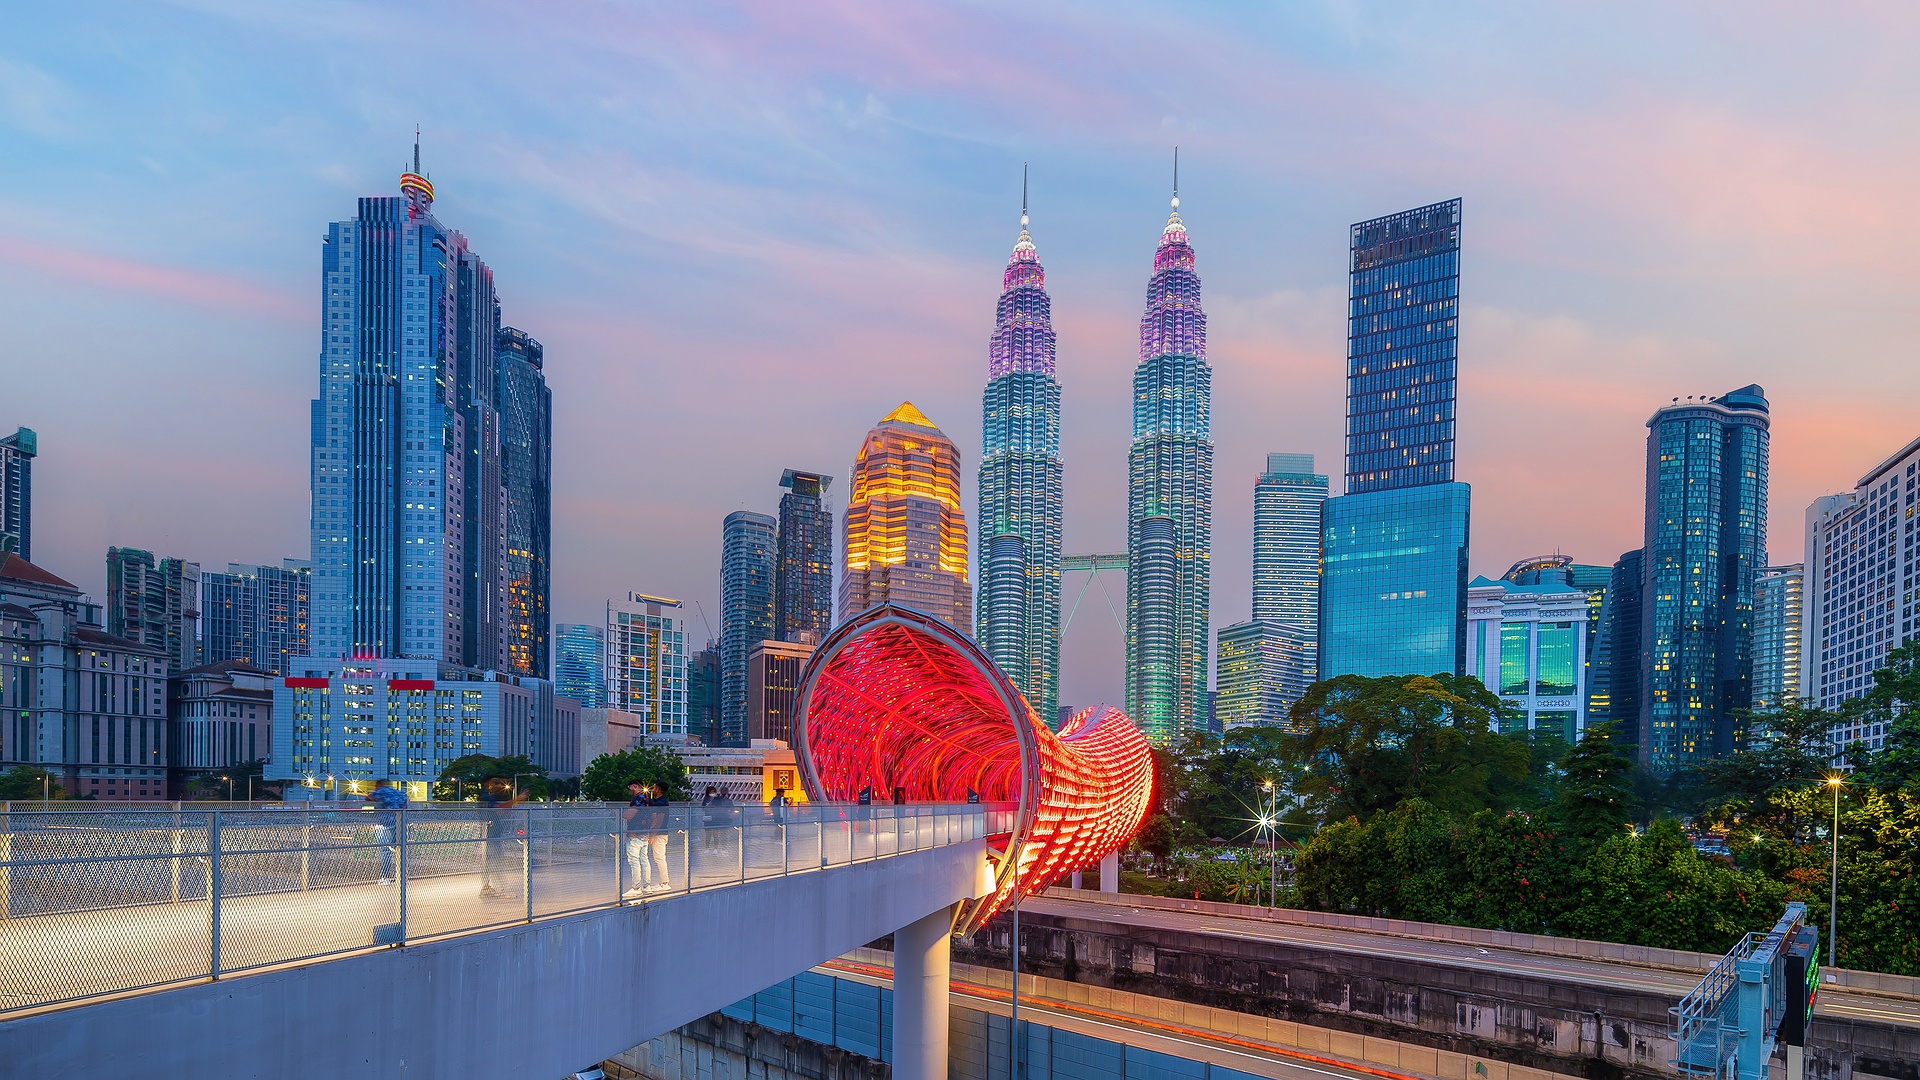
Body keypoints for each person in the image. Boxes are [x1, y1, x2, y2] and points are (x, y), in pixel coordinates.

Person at [478, 776, 520, 898]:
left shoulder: (489, 797)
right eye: (494, 783)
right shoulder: (486, 798)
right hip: (490, 835)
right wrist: (517, 799)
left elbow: (500, 810)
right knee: (494, 861)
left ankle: (488, 887)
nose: (497, 785)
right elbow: (499, 809)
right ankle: (499, 888)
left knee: (490, 861)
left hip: (492, 834)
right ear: (487, 784)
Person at [364, 782, 408, 884]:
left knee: (385, 851)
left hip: (386, 824)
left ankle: (385, 877)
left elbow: (367, 798)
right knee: (400, 850)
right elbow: (405, 804)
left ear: (379, 785)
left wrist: (377, 801)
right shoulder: (399, 793)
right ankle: (401, 876)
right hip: (400, 823)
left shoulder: (382, 791)